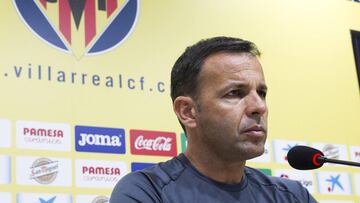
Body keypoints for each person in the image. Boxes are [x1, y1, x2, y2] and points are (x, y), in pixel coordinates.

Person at [110, 36, 317, 203]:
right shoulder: (147, 191)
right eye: (235, 93)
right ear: (188, 111)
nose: (259, 106)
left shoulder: (293, 196)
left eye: (261, 93)